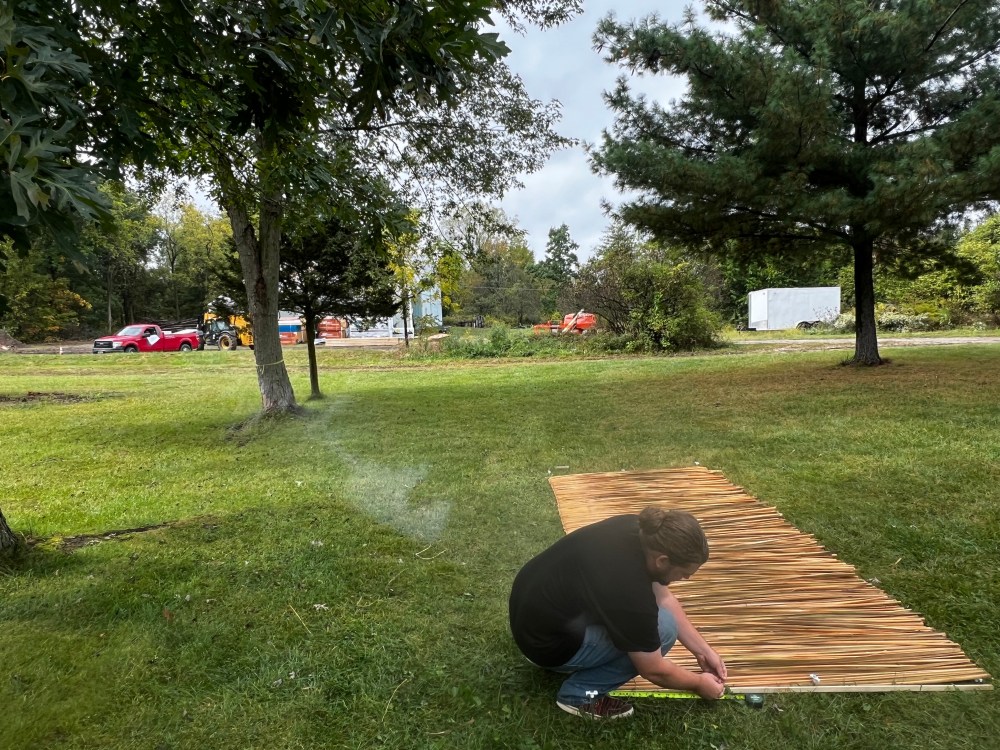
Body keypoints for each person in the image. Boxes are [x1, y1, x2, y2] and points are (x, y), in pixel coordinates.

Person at [508, 506, 727, 719]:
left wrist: (703, 651)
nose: (686, 578)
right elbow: (653, 669)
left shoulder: (640, 530)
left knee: (658, 622)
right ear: (662, 561)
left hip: (530, 621)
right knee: (665, 630)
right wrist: (699, 683)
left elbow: (664, 598)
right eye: (685, 573)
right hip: (546, 647)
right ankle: (579, 695)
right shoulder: (630, 590)